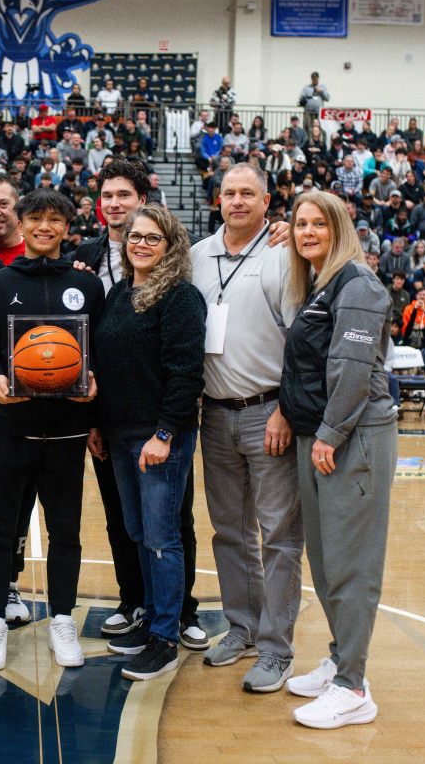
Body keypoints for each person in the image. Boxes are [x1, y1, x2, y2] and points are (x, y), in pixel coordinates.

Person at [74, 158, 206, 648]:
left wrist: (167, 434)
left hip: (157, 437)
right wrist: (96, 424)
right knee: (137, 532)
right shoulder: (119, 295)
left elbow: (185, 374)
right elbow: (104, 364)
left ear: (169, 246)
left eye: (153, 237)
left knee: (162, 536)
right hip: (119, 433)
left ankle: (166, 632)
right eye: (136, 238)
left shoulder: (179, 296)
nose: (142, 244)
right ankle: (151, 616)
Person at [279, 189, 397, 730]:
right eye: (300, 224)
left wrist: (328, 433)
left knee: (351, 563)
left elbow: (351, 370)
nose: (307, 232)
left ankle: (353, 687)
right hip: (320, 434)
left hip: (351, 437)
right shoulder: (320, 284)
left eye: (318, 224)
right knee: (325, 561)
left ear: (339, 228)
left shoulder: (358, 285)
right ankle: (339, 658)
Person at [0, 188, 103, 671]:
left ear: (68, 228)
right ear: (21, 224)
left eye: (55, 220)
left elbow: (98, 353)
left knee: (65, 530)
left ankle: (63, 619)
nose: (44, 227)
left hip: (67, 432)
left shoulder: (87, 286)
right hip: (9, 428)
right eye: (36, 218)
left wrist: (93, 384)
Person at [191, 163, 302, 694]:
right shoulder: (196, 257)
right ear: (218, 200)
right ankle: (242, 628)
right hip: (214, 414)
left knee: (278, 536)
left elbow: (302, 344)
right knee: (230, 532)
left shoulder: (285, 254)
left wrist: (286, 409)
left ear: (266, 202)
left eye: (248, 194)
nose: (237, 201)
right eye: (229, 193)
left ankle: (278, 650)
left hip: (268, 412)